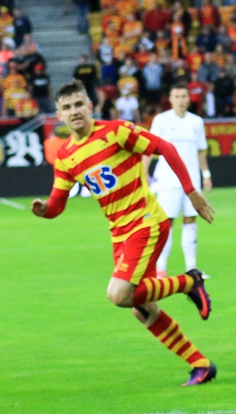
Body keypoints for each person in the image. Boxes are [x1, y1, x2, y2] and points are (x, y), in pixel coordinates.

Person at [31, 80, 218, 386]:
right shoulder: (65, 156)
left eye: (78, 104)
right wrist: (45, 210)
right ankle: (201, 364)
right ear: (59, 115)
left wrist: (191, 191)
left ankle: (189, 281)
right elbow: (57, 204)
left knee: (118, 295)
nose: (74, 111)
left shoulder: (115, 131)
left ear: (90, 106)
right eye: (66, 107)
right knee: (141, 309)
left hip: (146, 222)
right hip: (120, 234)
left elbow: (165, 148)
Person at [144, 83, 213, 279]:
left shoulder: (196, 122)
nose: (181, 100)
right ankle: (160, 268)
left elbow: (201, 150)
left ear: (189, 99)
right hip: (167, 181)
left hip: (192, 181)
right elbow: (149, 147)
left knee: (190, 220)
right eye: (177, 96)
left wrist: (206, 174)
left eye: (184, 96)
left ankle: (192, 268)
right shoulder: (161, 120)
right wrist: (144, 171)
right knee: (166, 223)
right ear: (171, 99)